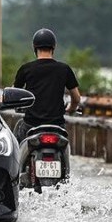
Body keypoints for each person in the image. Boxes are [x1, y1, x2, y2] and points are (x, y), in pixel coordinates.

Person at [12, 28, 82, 180]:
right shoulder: (64, 69)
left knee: (16, 135)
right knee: (65, 151)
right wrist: (71, 109)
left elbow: (14, 94)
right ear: (54, 47)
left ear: (34, 48)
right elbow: (76, 98)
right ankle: (65, 173)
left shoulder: (26, 69)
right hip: (57, 125)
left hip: (31, 124)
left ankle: (14, 176)